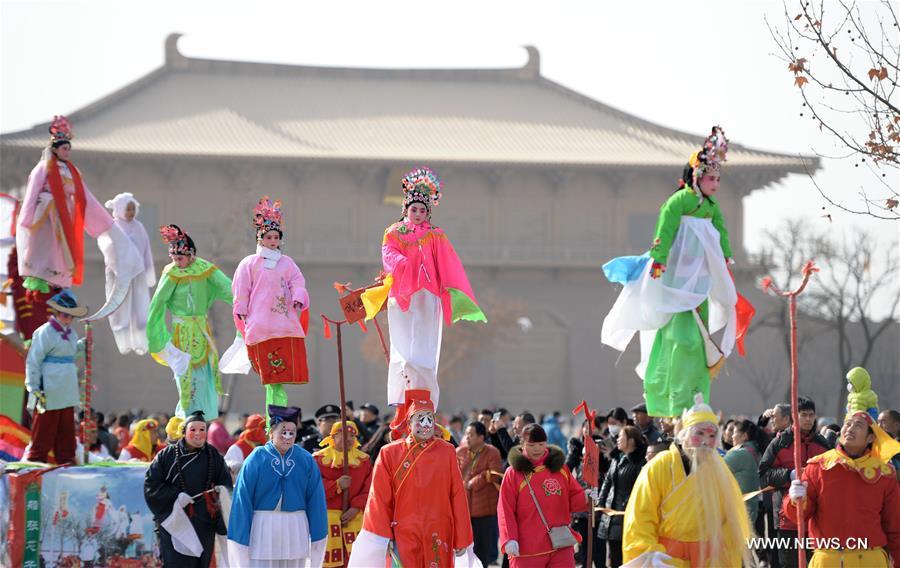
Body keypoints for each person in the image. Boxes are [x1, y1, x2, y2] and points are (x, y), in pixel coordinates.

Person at [602, 126, 751, 418]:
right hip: (674, 277)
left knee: (694, 343)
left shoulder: (710, 206)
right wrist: (658, 257)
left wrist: (725, 254)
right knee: (677, 340)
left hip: (698, 280)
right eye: (711, 178)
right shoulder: (679, 201)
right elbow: (666, 228)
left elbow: (719, 230)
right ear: (696, 177)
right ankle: (670, 400)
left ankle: (693, 402)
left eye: (719, 179)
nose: (716, 184)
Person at [361, 167, 485, 412]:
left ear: (428, 212)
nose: (417, 214)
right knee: (403, 347)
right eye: (413, 209)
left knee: (425, 348)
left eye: (422, 210)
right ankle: (401, 393)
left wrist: (451, 290)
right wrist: (402, 264)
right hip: (402, 293)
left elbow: (448, 263)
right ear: (406, 209)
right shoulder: (393, 233)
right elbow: (388, 254)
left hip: (428, 294)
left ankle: (424, 396)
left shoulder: (436, 235)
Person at [15, 115, 142, 303]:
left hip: (65, 216)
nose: (67, 152)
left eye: (68, 149)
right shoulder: (43, 167)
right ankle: (38, 283)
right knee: (43, 251)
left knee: (61, 253)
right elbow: (32, 192)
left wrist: (105, 221)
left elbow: (85, 197)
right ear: (56, 149)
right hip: (45, 215)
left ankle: (58, 286)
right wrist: (26, 219)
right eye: (64, 148)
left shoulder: (71, 171)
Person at [622, 394, 752, 566]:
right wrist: (649, 555)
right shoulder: (660, 466)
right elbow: (640, 519)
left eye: (712, 436)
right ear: (683, 433)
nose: (706, 441)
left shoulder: (720, 472)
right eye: (699, 433)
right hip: (666, 560)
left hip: (707, 561)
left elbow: (729, 525)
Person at [349, 389, 474, 567]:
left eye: (429, 418)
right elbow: (379, 498)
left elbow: (457, 494)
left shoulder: (447, 451)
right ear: (409, 422)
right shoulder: (389, 453)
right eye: (420, 418)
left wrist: (462, 537)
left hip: (438, 528)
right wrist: (382, 536)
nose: (425, 424)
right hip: (402, 530)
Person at [226, 196, 311, 417]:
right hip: (261, 324)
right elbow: (241, 288)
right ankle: (274, 418)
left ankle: (276, 417)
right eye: (268, 237)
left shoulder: (287, 263)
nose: (273, 241)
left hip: (284, 325)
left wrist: (298, 296)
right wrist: (241, 308)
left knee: (279, 378)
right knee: (271, 379)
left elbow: (298, 281)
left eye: (276, 237)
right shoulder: (249, 263)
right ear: (260, 239)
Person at [786, 411, 900, 566]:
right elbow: (799, 516)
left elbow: (895, 526)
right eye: (848, 423)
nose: (850, 428)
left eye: (858, 425)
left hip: (870, 560)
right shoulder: (818, 466)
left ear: (870, 438)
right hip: (827, 560)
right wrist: (795, 500)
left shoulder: (884, 474)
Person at [148, 224, 233, 419]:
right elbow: (157, 304)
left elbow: (227, 287)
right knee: (184, 376)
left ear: (191, 255)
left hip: (202, 331)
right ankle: (186, 419)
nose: (177, 262)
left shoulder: (205, 269)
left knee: (203, 377)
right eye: (174, 258)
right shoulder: (171, 273)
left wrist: (244, 302)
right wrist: (157, 336)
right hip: (181, 333)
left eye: (180, 258)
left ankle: (202, 418)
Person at [228, 405, 328, 567]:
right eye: (283, 432)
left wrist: (318, 537)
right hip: (262, 529)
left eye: (292, 433)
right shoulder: (256, 458)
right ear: (271, 432)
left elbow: (316, 501)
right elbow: (242, 501)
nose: (288, 437)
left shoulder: (306, 459)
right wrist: (239, 540)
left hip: (296, 528)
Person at [144, 411, 232, 568]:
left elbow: (225, 486)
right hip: (174, 521)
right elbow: (151, 486)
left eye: (202, 430)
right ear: (183, 432)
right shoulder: (166, 455)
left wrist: (221, 503)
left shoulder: (214, 455)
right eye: (193, 430)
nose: (198, 434)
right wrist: (175, 496)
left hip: (204, 521)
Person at [497, 423, 588, 567]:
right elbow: (505, 509)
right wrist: (509, 538)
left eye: (541, 444)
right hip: (528, 548)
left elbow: (574, 497)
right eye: (532, 445)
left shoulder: (559, 468)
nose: (537, 449)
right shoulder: (513, 473)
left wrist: (587, 497)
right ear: (523, 444)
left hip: (559, 544)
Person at [758, 396, 829, 568]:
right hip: (787, 519)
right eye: (803, 415)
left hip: (816, 519)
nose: (808, 419)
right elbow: (764, 475)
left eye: (811, 415)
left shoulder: (823, 445)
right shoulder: (779, 444)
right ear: (794, 416)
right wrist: (788, 475)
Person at [23, 289, 86, 464]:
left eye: (71, 315)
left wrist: (83, 344)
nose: (68, 318)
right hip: (49, 387)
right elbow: (33, 360)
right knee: (45, 428)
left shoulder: (72, 333)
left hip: (67, 386)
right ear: (57, 313)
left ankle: (66, 460)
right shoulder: (44, 332)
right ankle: (36, 460)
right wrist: (33, 386)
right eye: (64, 314)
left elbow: (70, 352)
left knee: (66, 429)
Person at [313, 419, 373, 567]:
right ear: (333, 437)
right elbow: (313, 487)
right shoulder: (318, 459)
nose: (349, 439)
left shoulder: (364, 460)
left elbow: (371, 489)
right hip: (327, 520)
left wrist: (356, 507)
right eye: (344, 434)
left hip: (355, 518)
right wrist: (336, 485)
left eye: (353, 436)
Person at [103, 192, 156, 355]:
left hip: (137, 274)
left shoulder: (139, 227)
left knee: (140, 311)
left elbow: (146, 251)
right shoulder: (112, 227)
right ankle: (124, 343)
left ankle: (141, 343)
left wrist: (148, 272)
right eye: (128, 209)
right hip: (119, 276)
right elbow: (108, 249)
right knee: (121, 312)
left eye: (133, 209)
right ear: (119, 209)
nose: (131, 213)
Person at [598, 425, 647, 567]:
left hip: (627, 516)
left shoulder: (640, 463)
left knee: (625, 558)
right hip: (611, 515)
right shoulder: (617, 459)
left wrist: (627, 506)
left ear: (631, 441)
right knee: (613, 556)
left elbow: (639, 489)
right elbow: (607, 482)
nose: (617, 440)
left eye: (621, 437)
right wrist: (601, 502)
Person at [457, 421, 503, 567]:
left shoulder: (492, 452)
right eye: (466, 434)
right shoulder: (460, 452)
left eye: (471, 435)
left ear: (481, 437)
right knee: (463, 550)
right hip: (463, 510)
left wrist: (476, 481)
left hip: (484, 510)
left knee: (482, 551)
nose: (467, 438)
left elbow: (495, 474)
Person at [724, 419, 763, 526]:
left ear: (744, 436)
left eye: (734, 432)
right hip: (751, 507)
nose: (732, 436)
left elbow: (716, 469)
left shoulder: (740, 453)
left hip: (738, 510)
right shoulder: (755, 450)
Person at [224, 414, 267, 478]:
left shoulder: (266, 447)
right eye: (263, 428)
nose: (266, 431)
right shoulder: (237, 448)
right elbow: (227, 467)